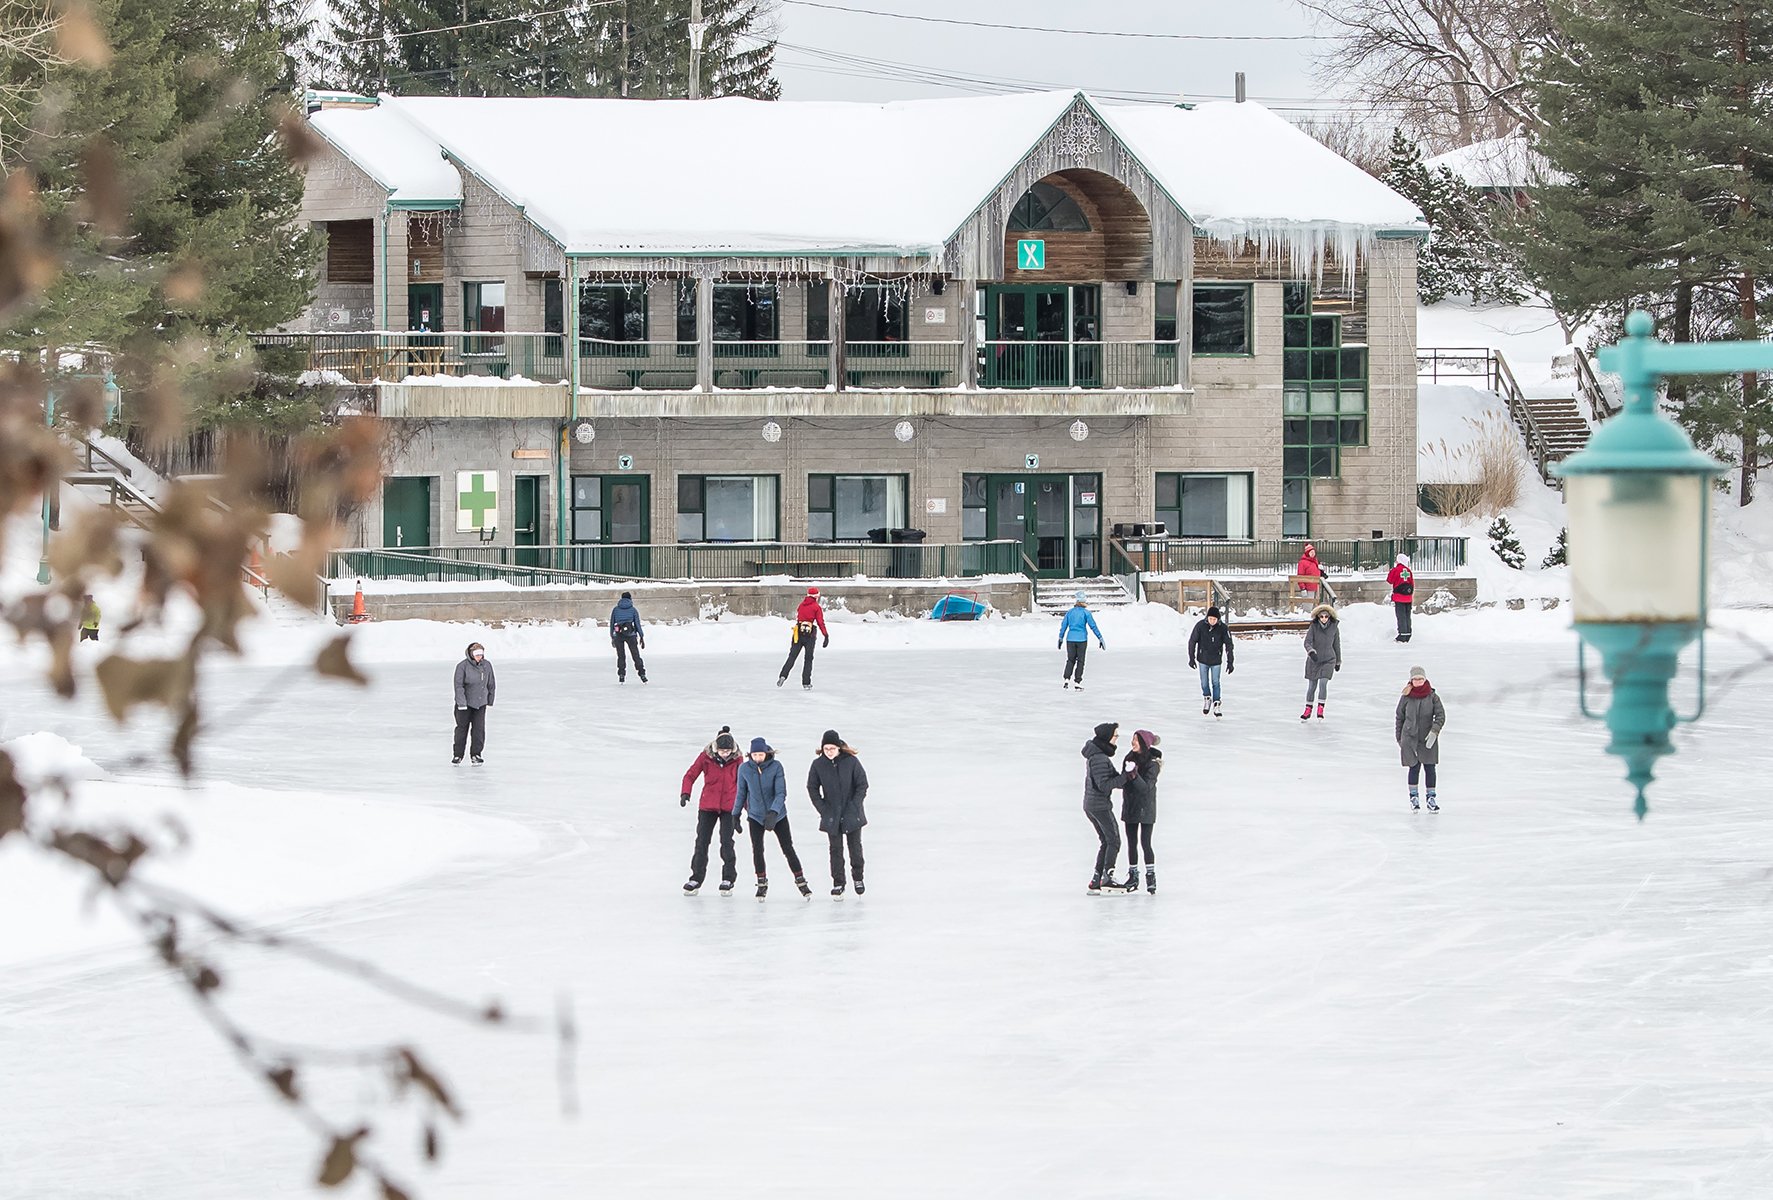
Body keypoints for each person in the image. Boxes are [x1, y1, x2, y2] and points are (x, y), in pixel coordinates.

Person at [736, 736, 811, 899]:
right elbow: (741, 792)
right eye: (755, 755)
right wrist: (736, 814)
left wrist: (773, 812)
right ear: (750, 755)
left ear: (766, 753)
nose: (758, 758)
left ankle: (801, 880)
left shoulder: (776, 766)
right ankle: (761, 882)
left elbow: (781, 793)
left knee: (787, 848)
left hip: (778, 816)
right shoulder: (744, 769)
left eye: (760, 755)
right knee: (757, 849)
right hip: (755, 815)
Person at [679, 726, 742, 893]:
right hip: (708, 806)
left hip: (729, 807)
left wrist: (744, 811)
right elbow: (690, 775)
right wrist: (685, 792)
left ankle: (728, 879)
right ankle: (696, 878)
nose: (725, 754)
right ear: (716, 748)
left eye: (727, 751)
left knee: (727, 842)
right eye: (722, 751)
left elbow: (744, 786)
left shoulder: (738, 760)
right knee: (702, 842)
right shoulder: (706, 757)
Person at [807, 729, 869, 898]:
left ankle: (858, 877)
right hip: (832, 814)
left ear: (839, 748)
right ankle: (838, 882)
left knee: (855, 847)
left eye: (832, 748)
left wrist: (855, 805)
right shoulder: (818, 765)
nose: (829, 752)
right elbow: (812, 788)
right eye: (826, 749)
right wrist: (823, 809)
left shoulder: (851, 761)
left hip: (852, 813)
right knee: (835, 850)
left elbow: (862, 784)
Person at [1081, 721, 1128, 893]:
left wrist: (1127, 777)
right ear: (1107, 737)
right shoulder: (1099, 758)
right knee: (1113, 841)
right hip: (1099, 806)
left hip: (1092, 805)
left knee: (1106, 841)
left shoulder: (1098, 755)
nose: (1116, 739)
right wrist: (1126, 776)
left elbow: (1113, 779)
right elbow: (1104, 785)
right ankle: (1107, 878)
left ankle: (1096, 880)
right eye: (1115, 736)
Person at [1396, 665, 1446, 811]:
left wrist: (1434, 732)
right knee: (1414, 767)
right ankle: (1414, 798)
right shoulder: (1406, 697)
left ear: (1425, 679)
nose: (1418, 681)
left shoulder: (1432, 697)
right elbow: (1399, 718)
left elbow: (1441, 715)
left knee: (1430, 767)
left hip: (1427, 738)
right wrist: (1400, 738)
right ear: (1411, 680)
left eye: (1420, 679)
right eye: (1416, 679)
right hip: (1409, 738)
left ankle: (1431, 798)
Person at [1119, 730, 1162, 894]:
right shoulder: (1129, 758)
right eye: (1133, 739)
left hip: (1146, 807)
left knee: (1145, 842)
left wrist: (1134, 774)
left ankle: (1150, 876)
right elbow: (1123, 781)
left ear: (1144, 744)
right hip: (1130, 805)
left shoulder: (1153, 764)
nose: (1133, 742)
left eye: (1136, 740)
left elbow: (1145, 788)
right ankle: (1133, 876)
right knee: (1131, 842)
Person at [1187, 605, 1235, 717]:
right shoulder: (1200, 626)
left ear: (1218, 619)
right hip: (1203, 659)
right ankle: (1207, 698)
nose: (1212, 621)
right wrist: (1191, 658)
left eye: (1214, 619)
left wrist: (1230, 662)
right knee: (1204, 682)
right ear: (1207, 618)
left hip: (1216, 660)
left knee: (1215, 682)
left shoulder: (1223, 628)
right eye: (1210, 619)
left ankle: (1216, 703)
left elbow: (1229, 645)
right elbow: (1192, 641)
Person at [452, 642, 496, 763]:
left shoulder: (487, 665)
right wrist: (461, 703)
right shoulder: (462, 666)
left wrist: (490, 699)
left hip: (480, 703)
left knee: (478, 730)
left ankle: (476, 754)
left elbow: (491, 683)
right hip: (464, 705)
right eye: (477, 655)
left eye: (481, 654)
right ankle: (458, 755)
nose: (479, 657)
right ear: (471, 654)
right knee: (462, 729)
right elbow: (458, 686)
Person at [777, 586, 828, 690]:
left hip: (798, 633)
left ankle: (783, 675)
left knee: (792, 656)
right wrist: (825, 635)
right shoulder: (816, 607)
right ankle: (806, 683)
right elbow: (820, 622)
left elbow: (799, 616)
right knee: (808, 659)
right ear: (816, 596)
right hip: (810, 634)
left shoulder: (801, 605)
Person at [1057, 591, 1105, 690]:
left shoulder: (1070, 612)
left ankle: (1066, 679)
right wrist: (1100, 638)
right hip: (1082, 639)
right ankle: (1077, 682)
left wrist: (1060, 638)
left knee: (1070, 659)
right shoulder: (1086, 613)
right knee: (1080, 661)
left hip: (1070, 639)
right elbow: (1093, 626)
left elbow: (1064, 626)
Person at [1301, 604, 1340, 721]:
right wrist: (1311, 652)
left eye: (1326, 616)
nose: (1324, 619)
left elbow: (1336, 645)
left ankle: (1320, 708)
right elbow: (1307, 642)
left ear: (1329, 617)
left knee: (1323, 683)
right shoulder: (1314, 627)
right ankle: (1308, 709)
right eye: (1321, 616)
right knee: (1312, 686)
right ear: (1318, 617)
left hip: (1329, 660)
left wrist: (1338, 661)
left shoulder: (1334, 628)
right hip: (1314, 660)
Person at [609, 591, 647, 684]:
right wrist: (641, 636)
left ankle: (621, 675)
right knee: (635, 655)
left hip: (618, 634)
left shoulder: (615, 610)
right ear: (630, 599)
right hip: (631, 635)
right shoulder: (633, 610)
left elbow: (612, 623)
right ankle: (642, 674)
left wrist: (612, 636)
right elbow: (637, 624)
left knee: (621, 656)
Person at [1388, 553, 1415, 642]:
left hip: (1399, 597)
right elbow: (1412, 583)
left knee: (1401, 616)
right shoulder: (1408, 571)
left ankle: (1402, 635)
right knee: (1407, 615)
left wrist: (1391, 571)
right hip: (1408, 597)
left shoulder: (1396, 570)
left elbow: (1390, 580)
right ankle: (1408, 633)